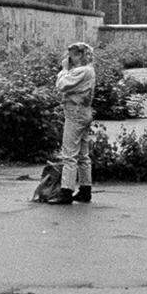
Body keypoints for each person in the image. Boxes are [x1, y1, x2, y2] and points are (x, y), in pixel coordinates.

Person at [48, 41, 97, 205]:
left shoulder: (81, 71)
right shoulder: (89, 70)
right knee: (83, 154)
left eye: (73, 55)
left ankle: (66, 191)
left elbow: (62, 85)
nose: (70, 58)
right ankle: (85, 189)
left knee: (69, 153)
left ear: (80, 55)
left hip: (75, 112)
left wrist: (64, 70)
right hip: (84, 112)